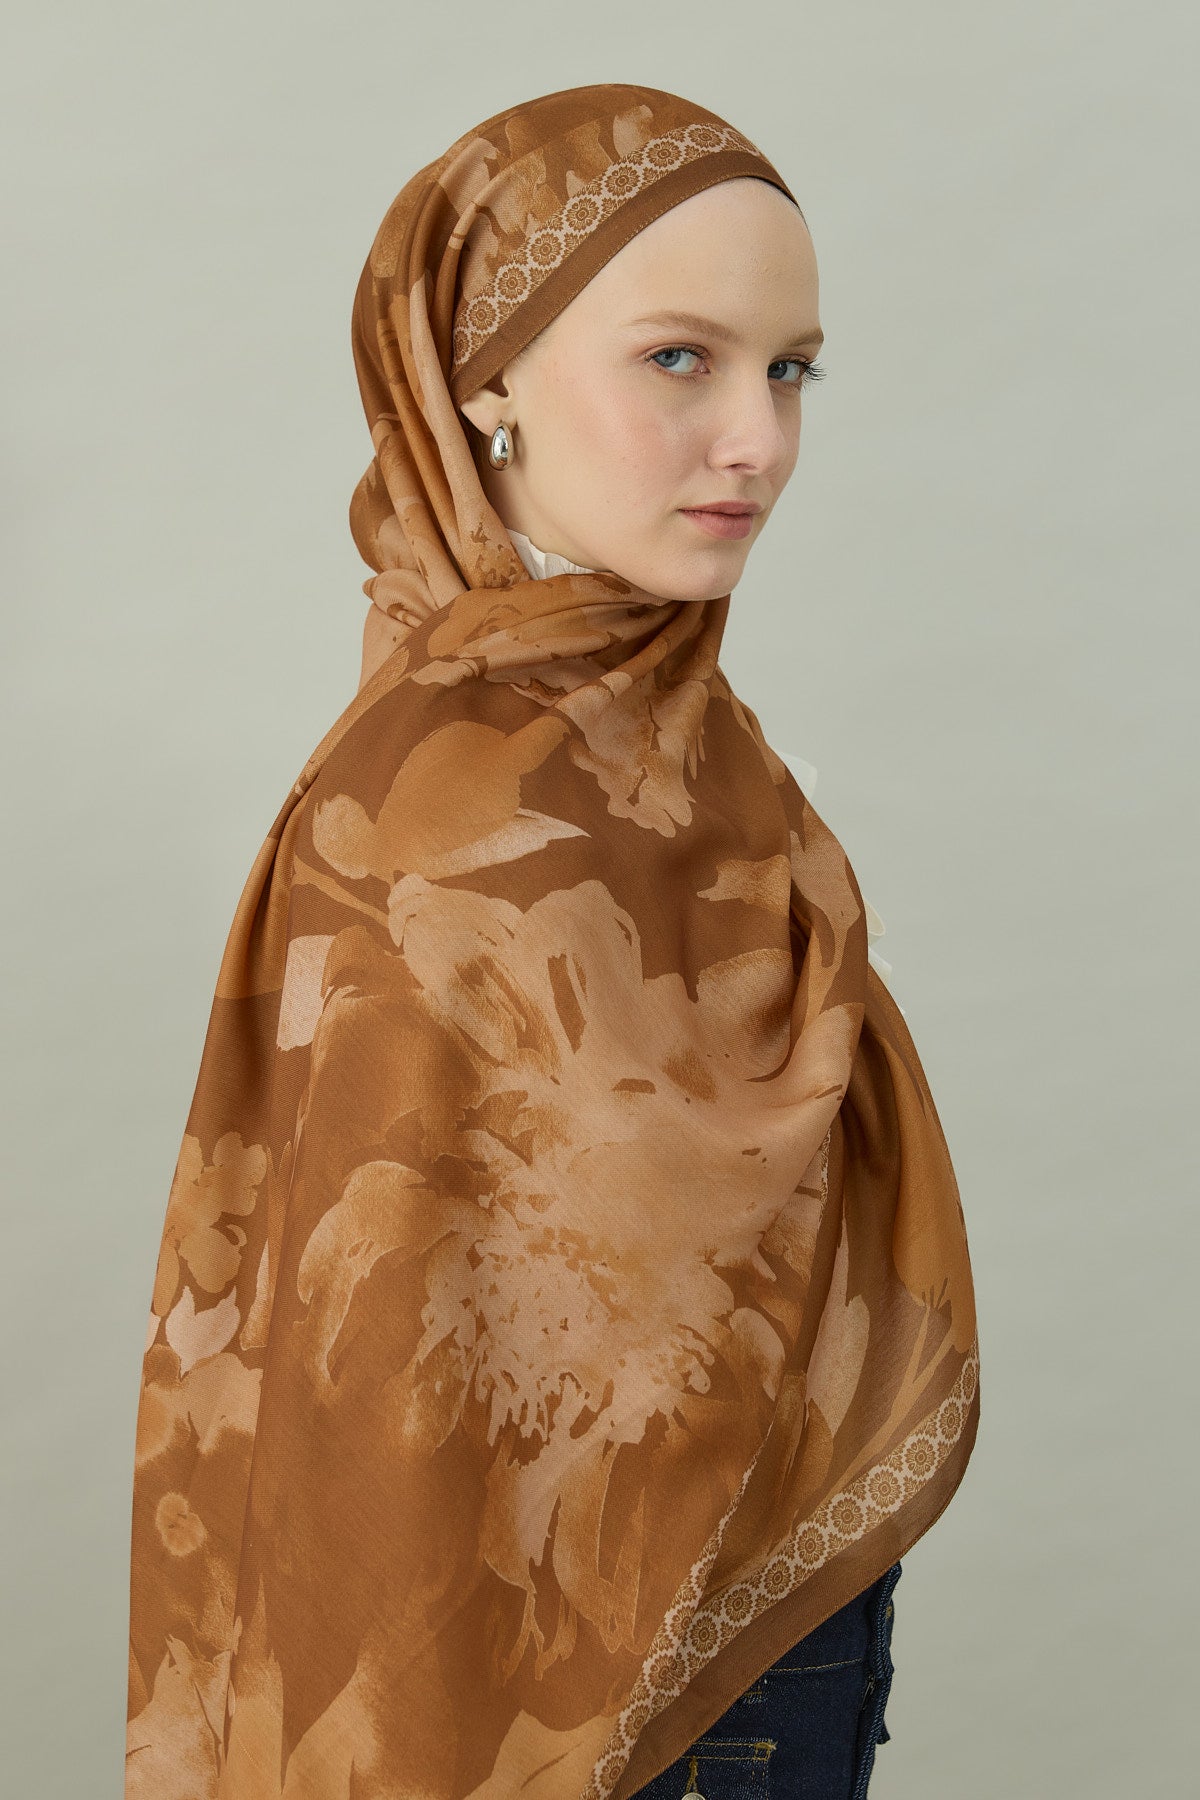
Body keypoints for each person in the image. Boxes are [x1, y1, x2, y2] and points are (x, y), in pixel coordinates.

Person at [125, 84, 979, 1800]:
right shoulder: (450, 806)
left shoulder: (681, 742)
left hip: (758, 1619)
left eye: (790, 371)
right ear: (487, 379)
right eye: (679, 360)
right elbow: (385, 1393)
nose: (756, 441)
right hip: (613, 1708)